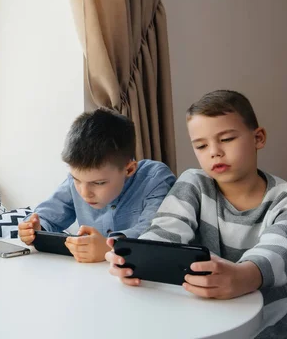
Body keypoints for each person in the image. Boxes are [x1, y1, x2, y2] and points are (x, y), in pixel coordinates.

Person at [106, 90, 287, 338]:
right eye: (201, 145)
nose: (214, 151)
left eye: (226, 139)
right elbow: (166, 230)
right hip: (198, 325)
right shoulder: (194, 183)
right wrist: (138, 258)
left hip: (266, 331)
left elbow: (284, 249)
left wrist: (243, 276)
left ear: (258, 138)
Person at [18, 108, 176, 262]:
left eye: (99, 183)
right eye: (76, 179)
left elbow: (155, 232)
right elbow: (46, 216)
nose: (84, 193)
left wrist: (110, 247)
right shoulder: (78, 182)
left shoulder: (155, 178)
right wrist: (34, 230)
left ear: (129, 169)